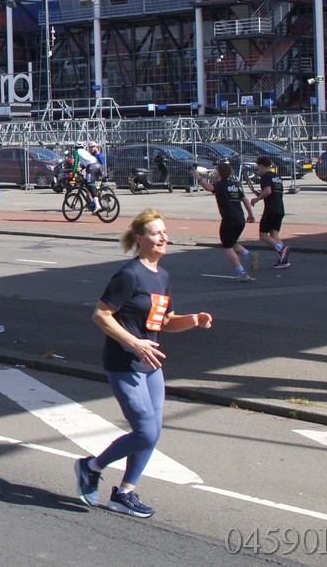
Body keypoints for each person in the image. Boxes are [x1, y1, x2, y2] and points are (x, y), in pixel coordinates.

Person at [74, 209, 213, 518]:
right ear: (140, 239)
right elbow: (101, 315)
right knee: (146, 432)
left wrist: (193, 319)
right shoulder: (129, 275)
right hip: (124, 363)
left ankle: (124, 493)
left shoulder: (162, 276)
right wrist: (133, 342)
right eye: (156, 233)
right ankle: (91, 467)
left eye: (164, 232)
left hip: (151, 365)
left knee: (153, 431)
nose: (163, 237)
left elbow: (165, 321)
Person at [192, 161, 257, 282]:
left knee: (227, 246)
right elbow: (245, 200)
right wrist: (251, 214)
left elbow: (209, 187)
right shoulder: (234, 185)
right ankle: (249, 255)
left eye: (216, 170)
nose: (215, 171)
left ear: (220, 173)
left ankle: (242, 273)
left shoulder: (220, 185)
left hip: (229, 220)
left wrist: (198, 177)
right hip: (240, 219)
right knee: (232, 242)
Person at [250, 156, 290, 269]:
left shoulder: (265, 176)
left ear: (261, 166)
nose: (258, 169)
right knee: (274, 235)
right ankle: (283, 260)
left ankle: (281, 250)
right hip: (280, 208)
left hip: (270, 209)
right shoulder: (277, 176)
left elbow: (268, 191)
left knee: (263, 235)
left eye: (258, 167)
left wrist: (257, 199)